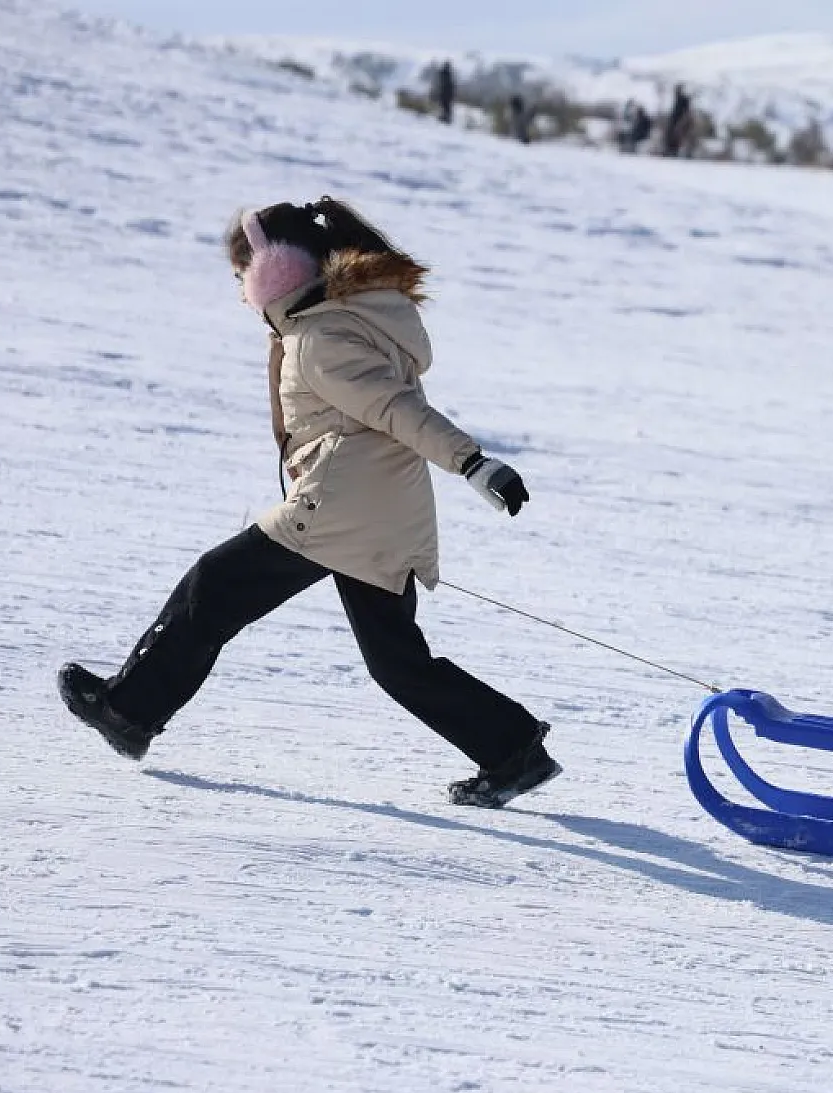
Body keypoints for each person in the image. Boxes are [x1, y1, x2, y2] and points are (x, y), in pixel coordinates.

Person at [57, 198, 560, 810]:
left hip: (339, 507)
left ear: (277, 270)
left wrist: (473, 462)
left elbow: (395, 410)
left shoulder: (321, 336)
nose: (239, 288)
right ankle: (512, 748)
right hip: (378, 509)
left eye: (242, 272)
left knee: (214, 586)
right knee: (395, 659)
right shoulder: (342, 320)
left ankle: (128, 711)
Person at [661, 85, 693, 157]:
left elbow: (686, 112)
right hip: (674, 121)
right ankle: (669, 150)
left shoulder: (684, 100)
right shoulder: (677, 99)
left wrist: (681, 123)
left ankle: (674, 151)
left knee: (676, 135)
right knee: (669, 134)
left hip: (680, 122)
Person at [431, 61, 456, 125]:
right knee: (446, 105)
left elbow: (442, 83)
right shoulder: (448, 74)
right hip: (447, 93)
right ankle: (446, 117)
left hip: (445, 92)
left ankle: (445, 118)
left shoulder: (445, 73)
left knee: (445, 105)